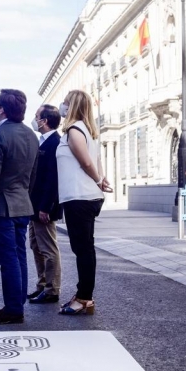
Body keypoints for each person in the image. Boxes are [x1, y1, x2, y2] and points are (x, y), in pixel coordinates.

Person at [0, 90, 39, 325]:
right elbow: (34, 175)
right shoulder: (31, 136)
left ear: (2, 109)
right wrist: (25, 197)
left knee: (8, 259)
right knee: (20, 255)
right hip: (23, 204)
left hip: (2, 207)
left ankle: (13, 309)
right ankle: (17, 302)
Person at [56, 89, 112, 316]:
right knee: (83, 248)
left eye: (66, 103)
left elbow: (88, 163)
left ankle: (85, 298)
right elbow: (96, 163)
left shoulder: (75, 130)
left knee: (83, 249)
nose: (62, 106)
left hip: (80, 197)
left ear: (73, 106)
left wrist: (99, 180)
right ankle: (83, 295)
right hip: (82, 197)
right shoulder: (87, 131)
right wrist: (101, 180)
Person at [28, 105, 63, 304]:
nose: (35, 119)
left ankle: (52, 289)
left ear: (45, 121)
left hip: (44, 207)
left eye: (37, 116)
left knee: (49, 249)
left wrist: (46, 207)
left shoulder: (55, 144)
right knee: (36, 246)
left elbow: (53, 179)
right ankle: (42, 284)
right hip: (34, 206)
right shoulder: (42, 142)